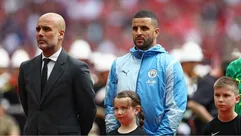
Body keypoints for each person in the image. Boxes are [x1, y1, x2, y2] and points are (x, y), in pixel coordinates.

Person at [104, 10, 187, 135]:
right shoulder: (118, 64)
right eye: (135, 28)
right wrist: (112, 132)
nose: (138, 32)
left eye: (144, 28)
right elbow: (110, 105)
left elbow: (175, 108)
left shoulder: (170, 64)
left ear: (156, 32)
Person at [18, 12, 96, 135]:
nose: (40, 33)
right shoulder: (26, 68)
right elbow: (28, 107)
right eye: (38, 29)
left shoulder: (77, 69)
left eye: (46, 29)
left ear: (61, 34)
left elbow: (88, 110)